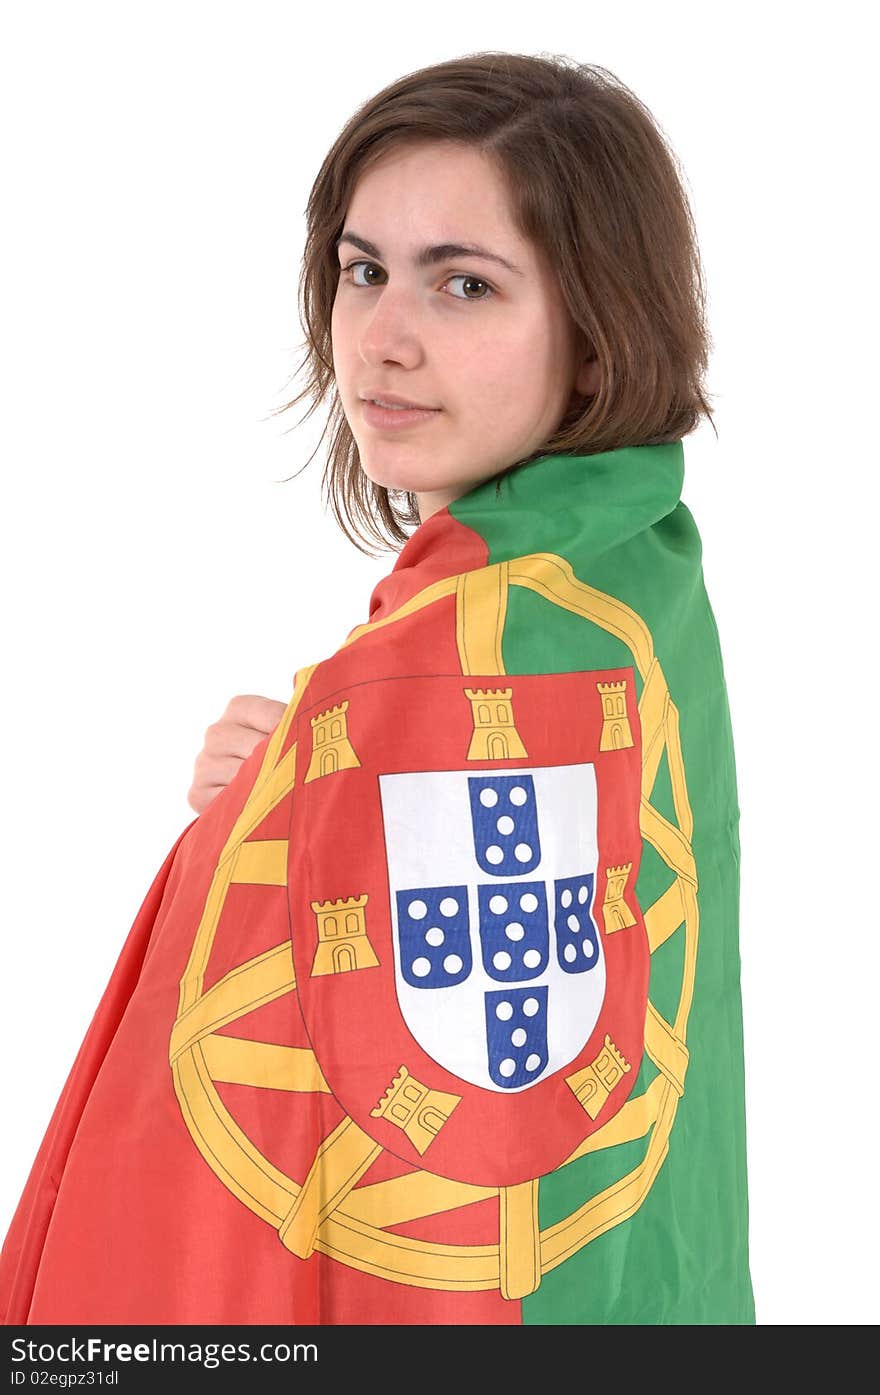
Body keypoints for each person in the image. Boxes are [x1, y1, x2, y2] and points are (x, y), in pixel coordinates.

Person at [0, 50, 756, 1325]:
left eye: (464, 284)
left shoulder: (475, 641)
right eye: (364, 272)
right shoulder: (630, 573)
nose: (383, 341)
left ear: (594, 336)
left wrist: (271, 820)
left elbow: (239, 1138)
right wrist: (304, 788)